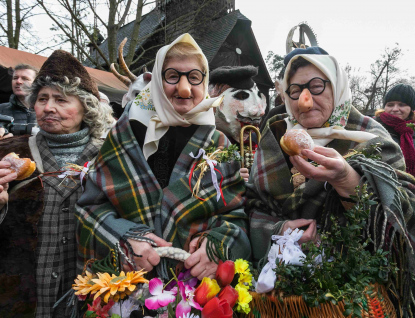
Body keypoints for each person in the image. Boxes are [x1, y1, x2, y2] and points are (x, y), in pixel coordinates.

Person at [247, 47, 415, 315]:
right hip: (280, 296)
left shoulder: (370, 137)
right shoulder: (275, 134)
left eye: (316, 86)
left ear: (336, 87)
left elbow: (403, 214)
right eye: (295, 89)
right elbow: (253, 203)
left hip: (353, 295)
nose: (305, 99)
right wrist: (280, 229)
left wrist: (347, 179)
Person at [76, 33, 251, 282]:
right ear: (157, 81)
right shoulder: (125, 134)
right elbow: (90, 207)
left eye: (193, 77)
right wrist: (122, 238)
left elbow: (236, 214)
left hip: (198, 288)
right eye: (172, 76)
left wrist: (217, 246)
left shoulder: (219, 144)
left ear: (204, 83)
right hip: (128, 286)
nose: (184, 88)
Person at [0, 50, 114, 317]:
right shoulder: (7, 155)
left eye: (61, 99)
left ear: (86, 106)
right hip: (20, 300)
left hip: (94, 299)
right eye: (42, 99)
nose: (48, 107)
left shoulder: (112, 157)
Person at [374, 84, 415, 176]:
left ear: (411, 109)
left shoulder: (412, 130)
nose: (395, 109)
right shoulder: (374, 127)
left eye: (402, 105)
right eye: (390, 105)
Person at [0, 64, 38, 138]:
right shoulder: (1, 109)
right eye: (15, 78)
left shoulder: (47, 110)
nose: (18, 81)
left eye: (25, 78)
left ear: (36, 83)